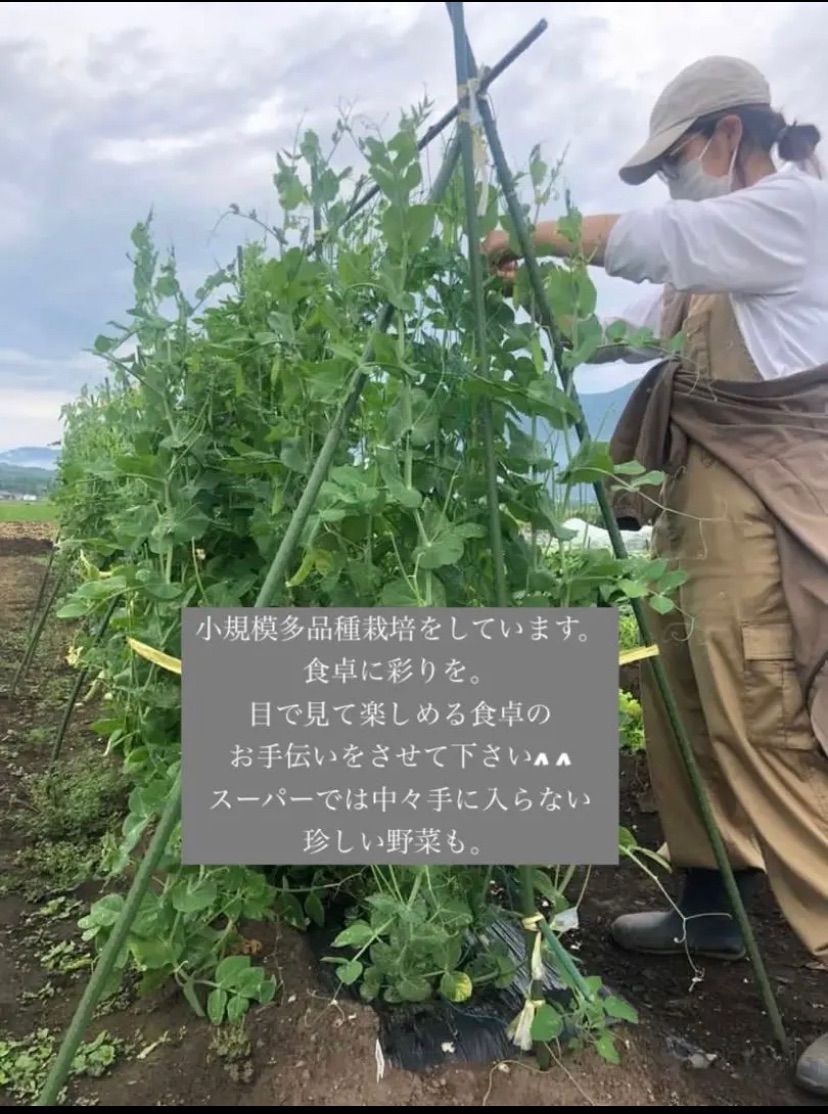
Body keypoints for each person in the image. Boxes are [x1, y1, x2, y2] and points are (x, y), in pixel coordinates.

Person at [483, 55, 828, 1097]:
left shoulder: (790, 215)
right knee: (677, 691)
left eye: (674, 160)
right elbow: (614, 337)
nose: (670, 183)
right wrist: (543, 309)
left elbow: (654, 240)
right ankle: (709, 899)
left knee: (763, 715)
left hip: (768, 514)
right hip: (693, 505)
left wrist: (533, 233)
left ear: (726, 135)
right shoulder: (703, 265)